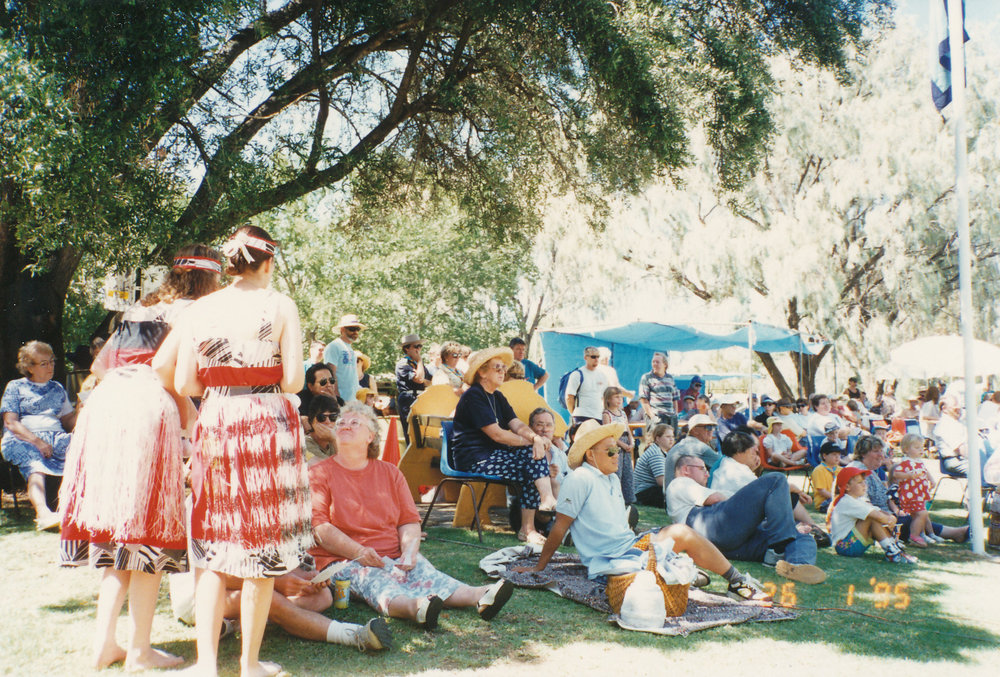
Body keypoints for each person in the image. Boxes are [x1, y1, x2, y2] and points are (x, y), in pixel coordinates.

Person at [57, 246, 220, 671]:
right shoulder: (192, 312)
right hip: (149, 411)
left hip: (106, 408)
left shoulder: (139, 309)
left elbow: (100, 366)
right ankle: (140, 650)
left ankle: (105, 643)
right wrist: (189, 427)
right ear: (209, 280)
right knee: (151, 531)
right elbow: (177, 377)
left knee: (118, 535)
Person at [171, 225, 313, 677]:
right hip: (267, 422)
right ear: (267, 262)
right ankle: (249, 664)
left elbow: (184, 382)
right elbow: (294, 381)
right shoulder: (280, 305)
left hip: (218, 420)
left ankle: (207, 664)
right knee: (261, 546)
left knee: (215, 543)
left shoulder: (201, 308)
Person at [514, 420, 772, 603]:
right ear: (590, 455)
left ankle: (711, 577)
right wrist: (540, 567)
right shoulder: (580, 477)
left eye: (617, 449)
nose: (617, 454)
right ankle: (735, 582)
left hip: (630, 546)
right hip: (611, 560)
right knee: (682, 533)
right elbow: (560, 526)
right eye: (610, 450)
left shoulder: (610, 477)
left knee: (679, 535)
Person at [309, 401, 514, 629]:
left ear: (371, 436)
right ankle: (415, 609)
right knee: (376, 582)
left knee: (425, 572)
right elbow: (321, 529)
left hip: (392, 553)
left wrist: (408, 551)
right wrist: (359, 552)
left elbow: (408, 521)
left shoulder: (390, 473)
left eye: (355, 422)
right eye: (341, 422)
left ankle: (480, 595)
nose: (345, 425)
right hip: (344, 559)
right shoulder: (318, 473)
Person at [451, 347, 557, 546]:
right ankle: (535, 517)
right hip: (473, 459)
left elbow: (516, 424)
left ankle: (535, 518)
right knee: (531, 457)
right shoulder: (474, 396)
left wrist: (535, 437)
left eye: (503, 368)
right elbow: (497, 435)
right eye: (497, 368)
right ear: (482, 372)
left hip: (494, 454)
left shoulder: (497, 396)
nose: (503, 372)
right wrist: (533, 442)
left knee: (532, 458)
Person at [666, 454, 825, 584]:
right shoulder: (679, 483)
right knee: (776, 479)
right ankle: (778, 548)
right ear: (686, 470)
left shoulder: (698, 488)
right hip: (711, 531)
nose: (707, 474)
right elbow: (716, 499)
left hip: (728, 546)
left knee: (801, 536)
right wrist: (757, 500)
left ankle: (798, 565)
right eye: (702, 469)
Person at [169, 567, 392, 652]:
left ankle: (234, 624)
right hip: (197, 593)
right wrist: (277, 583)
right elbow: (213, 575)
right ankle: (353, 635)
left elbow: (274, 565)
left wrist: (305, 579)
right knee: (267, 599)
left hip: (250, 583)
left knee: (322, 596)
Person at [2, 340, 76, 530]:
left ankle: (75, 510)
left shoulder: (57, 388)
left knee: (81, 450)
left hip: (56, 437)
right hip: (23, 437)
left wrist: (83, 411)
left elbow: (68, 420)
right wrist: (38, 442)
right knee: (35, 462)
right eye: (44, 363)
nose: (50, 366)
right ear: (29, 367)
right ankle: (43, 514)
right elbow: (11, 422)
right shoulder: (16, 387)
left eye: (52, 361)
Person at [848, 435, 968, 544]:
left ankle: (951, 533)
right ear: (863, 454)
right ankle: (953, 533)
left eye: (881, 451)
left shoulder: (870, 471)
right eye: (876, 451)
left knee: (918, 512)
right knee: (913, 518)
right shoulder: (857, 471)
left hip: (888, 513)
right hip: (877, 519)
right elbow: (862, 504)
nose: (881, 455)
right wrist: (886, 515)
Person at [828, 467, 916, 563]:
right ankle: (892, 551)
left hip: (850, 544)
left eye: (864, 481)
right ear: (847, 487)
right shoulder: (847, 501)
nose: (864, 485)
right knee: (871, 518)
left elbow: (880, 512)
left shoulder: (858, 500)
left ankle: (894, 548)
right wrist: (890, 520)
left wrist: (891, 518)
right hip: (844, 547)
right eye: (860, 482)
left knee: (874, 517)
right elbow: (878, 516)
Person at [893, 433, 937, 547]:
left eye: (922, 447)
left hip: (919, 493)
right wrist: (908, 475)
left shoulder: (919, 461)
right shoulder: (906, 462)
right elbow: (896, 473)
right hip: (910, 494)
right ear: (906, 449)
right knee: (922, 513)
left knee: (918, 514)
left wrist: (931, 479)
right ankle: (914, 535)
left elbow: (925, 471)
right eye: (917, 448)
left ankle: (919, 534)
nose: (921, 450)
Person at [660, 414, 721, 495]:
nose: (711, 430)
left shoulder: (682, 444)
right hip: (683, 497)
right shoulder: (699, 447)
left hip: (670, 497)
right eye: (708, 427)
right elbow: (725, 465)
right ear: (695, 430)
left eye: (713, 427)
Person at [602, 386, 636, 504]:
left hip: (626, 441)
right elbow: (609, 433)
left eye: (621, 397)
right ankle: (615, 496)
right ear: (608, 399)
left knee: (627, 470)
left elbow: (627, 428)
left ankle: (628, 498)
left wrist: (631, 442)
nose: (619, 400)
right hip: (615, 443)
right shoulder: (607, 414)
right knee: (616, 470)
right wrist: (622, 444)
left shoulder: (622, 413)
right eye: (616, 397)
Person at [395, 334, 431, 445]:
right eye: (416, 346)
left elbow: (430, 382)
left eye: (420, 346)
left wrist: (422, 377)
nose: (418, 349)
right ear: (407, 348)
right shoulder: (403, 364)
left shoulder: (419, 365)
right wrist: (419, 361)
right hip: (409, 398)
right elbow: (419, 379)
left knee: (422, 433)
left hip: (421, 397)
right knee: (411, 432)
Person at [323, 314, 366, 403]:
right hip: (340, 399)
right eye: (352, 329)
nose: (355, 332)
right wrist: (336, 397)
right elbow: (330, 373)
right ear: (342, 329)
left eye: (357, 329)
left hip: (353, 399)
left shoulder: (350, 349)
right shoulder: (334, 346)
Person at [565, 346, 610, 424]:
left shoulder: (602, 375)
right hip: (581, 416)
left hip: (599, 417)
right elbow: (569, 397)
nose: (596, 359)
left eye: (598, 357)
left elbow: (605, 397)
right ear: (585, 357)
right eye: (593, 357)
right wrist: (574, 414)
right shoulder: (577, 374)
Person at [633, 424, 674, 508]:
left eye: (672, 436)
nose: (671, 439)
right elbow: (662, 482)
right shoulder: (656, 453)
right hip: (643, 494)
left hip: (648, 490)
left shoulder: (660, 451)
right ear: (657, 438)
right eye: (668, 436)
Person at [637, 351, 679, 430]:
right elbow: (643, 399)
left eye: (657, 362)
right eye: (653, 362)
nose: (654, 364)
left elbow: (675, 399)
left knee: (672, 437)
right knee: (656, 437)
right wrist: (652, 417)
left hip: (671, 418)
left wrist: (675, 414)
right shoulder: (646, 377)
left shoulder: (670, 378)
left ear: (665, 364)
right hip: (657, 416)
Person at [304, 395, 340, 466]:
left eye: (333, 417)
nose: (328, 421)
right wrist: (334, 440)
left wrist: (335, 440)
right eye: (322, 417)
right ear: (312, 421)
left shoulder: (335, 437)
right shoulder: (306, 443)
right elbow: (330, 468)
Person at [811, 443, 842, 512]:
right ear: (824, 456)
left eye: (839, 454)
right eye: (834, 454)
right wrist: (838, 498)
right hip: (824, 502)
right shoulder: (819, 470)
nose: (837, 457)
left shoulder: (840, 470)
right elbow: (822, 491)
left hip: (838, 499)